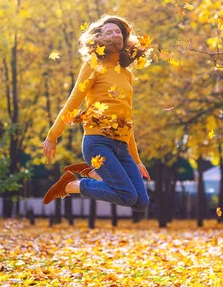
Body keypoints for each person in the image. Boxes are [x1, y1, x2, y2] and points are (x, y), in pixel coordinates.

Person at [42, 15, 151, 213]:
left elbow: (126, 118)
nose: (113, 34)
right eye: (108, 32)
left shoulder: (126, 74)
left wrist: (136, 160)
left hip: (121, 146)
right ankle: (70, 185)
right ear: (98, 39)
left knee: (140, 202)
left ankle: (94, 174)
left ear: (125, 38)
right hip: (97, 142)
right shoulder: (93, 66)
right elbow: (73, 102)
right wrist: (52, 136)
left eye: (117, 31)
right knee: (127, 195)